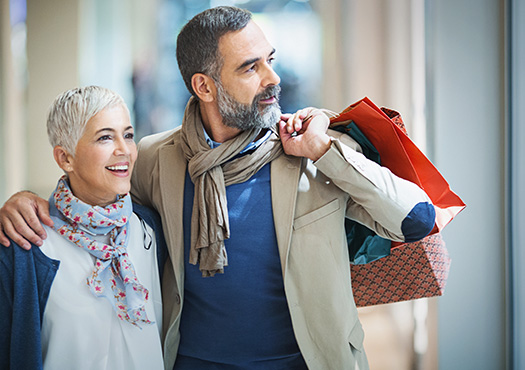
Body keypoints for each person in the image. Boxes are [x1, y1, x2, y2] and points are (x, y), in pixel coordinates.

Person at [0, 6, 436, 370]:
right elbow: (98, 206)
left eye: (271, 59)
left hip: (303, 361)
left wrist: (325, 149)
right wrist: (29, 202)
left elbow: (416, 220)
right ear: (203, 86)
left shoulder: (311, 153)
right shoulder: (155, 158)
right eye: (250, 67)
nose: (272, 77)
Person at [0, 86, 168, 370]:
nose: (124, 150)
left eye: (128, 135)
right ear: (65, 158)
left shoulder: (152, 229)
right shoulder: (25, 246)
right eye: (105, 137)